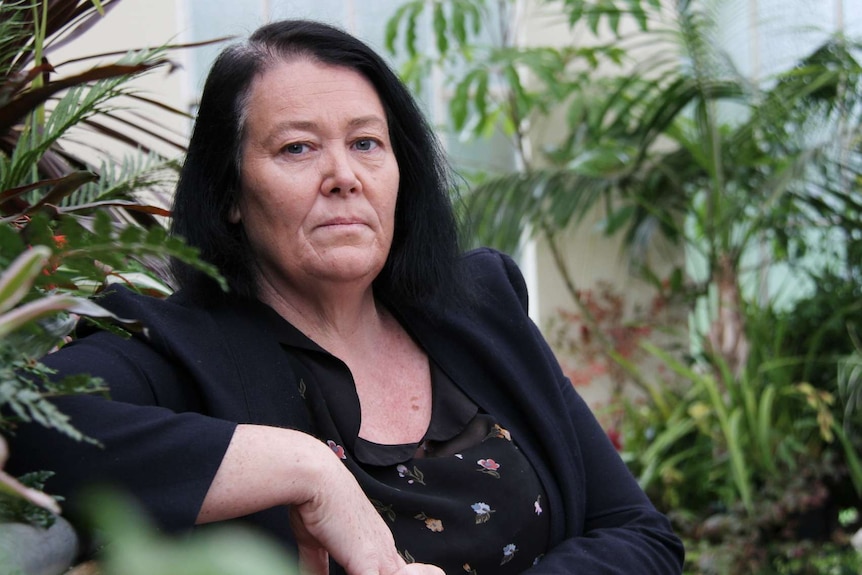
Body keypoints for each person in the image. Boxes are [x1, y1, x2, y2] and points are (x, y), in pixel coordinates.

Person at [7, 19, 685, 575]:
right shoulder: (173, 345)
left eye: (367, 142)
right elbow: (28, 421)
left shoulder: (481, 304)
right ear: (230, 194)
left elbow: (642, 535)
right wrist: (304, 469)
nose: (344, 176)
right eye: (298, 148)